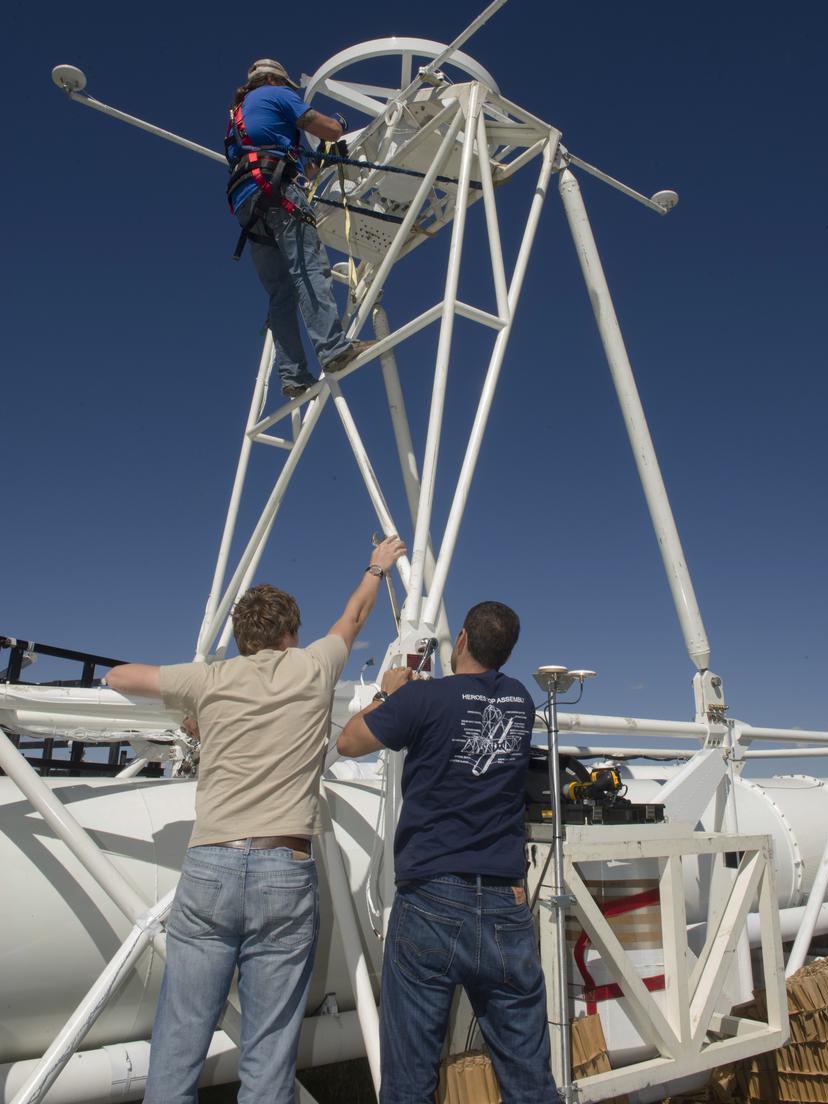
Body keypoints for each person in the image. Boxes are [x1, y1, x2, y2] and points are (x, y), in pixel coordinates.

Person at [105, 533, 406, 1104]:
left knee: (178, 1043)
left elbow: (120, 676)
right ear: (291, 634)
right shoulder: (314, 667)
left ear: (242, 638)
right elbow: (356, 613)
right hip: (284, 865)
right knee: (269, 1059)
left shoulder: (211, 679)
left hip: (210, 865)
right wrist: (378, 565)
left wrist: (197, 709)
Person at [336, 601, 560, 1104]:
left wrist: (386, 694)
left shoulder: (425, 700)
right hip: (505, 906)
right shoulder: (523, 702)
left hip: (432, 901)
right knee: (529, 1080)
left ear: (459, 639)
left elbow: (349, 742)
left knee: (411, 1081)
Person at [225, 57, 374, 398]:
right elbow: (330, 130)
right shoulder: (277, 95)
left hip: (247, 202)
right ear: (277, 80)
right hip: (278, 192)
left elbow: (294, 165)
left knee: (281, 292)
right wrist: (337, 124)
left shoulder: (238, 114)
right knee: (308, 267)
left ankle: (293, 375)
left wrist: (316, 160)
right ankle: (334, 349)